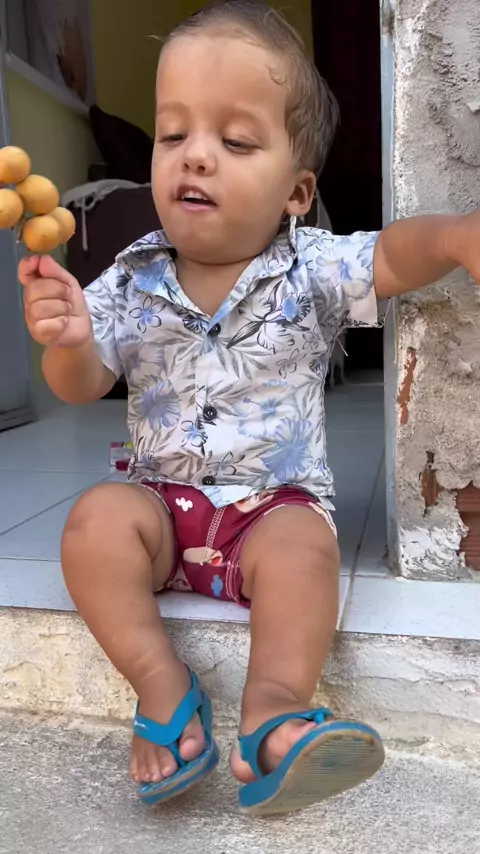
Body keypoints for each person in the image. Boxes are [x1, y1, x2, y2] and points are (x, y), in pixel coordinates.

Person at [18, 0, 480, 816]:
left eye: (234, 142)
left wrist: (454, 237)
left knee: (307, 551)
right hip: (162, 509)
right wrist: (66, 338)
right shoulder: (129, 277)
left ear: (296, 191)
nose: (196, 155)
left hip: (272, 511)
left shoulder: (309, 267)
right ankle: (162, 686)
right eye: (173, 134)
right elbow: (80, 383)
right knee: (92, 523)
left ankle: (273, 712)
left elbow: (390, 254)